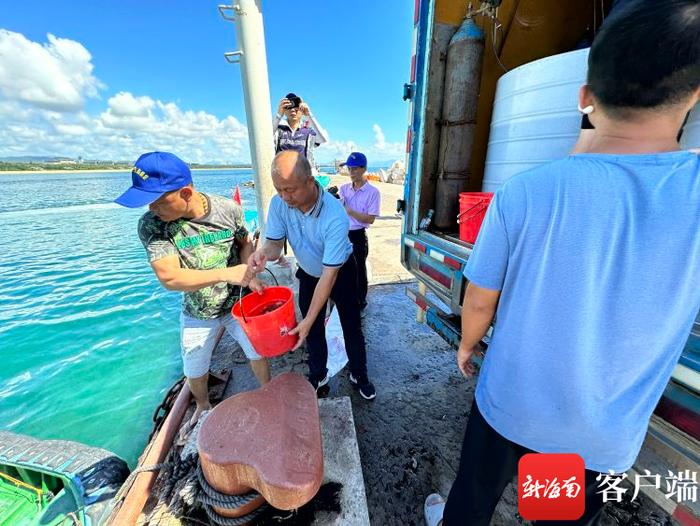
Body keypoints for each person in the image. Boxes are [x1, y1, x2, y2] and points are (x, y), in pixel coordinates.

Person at [424, 1, 700, 525]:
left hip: (508, 406)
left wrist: (465, 343)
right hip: (597, 434)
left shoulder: (525, 191)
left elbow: (480, 296)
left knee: (472, 503)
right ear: (693, 95)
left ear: (584, 97)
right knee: (553, 515)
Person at [115, 151, 271, 434]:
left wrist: (248, 270)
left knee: (257, 350)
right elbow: (170, 277)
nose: (152, 208)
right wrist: (226, 273)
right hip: (198, 311)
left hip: (237, 303)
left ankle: (268, 393)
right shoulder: (152, 225)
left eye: (159, 201)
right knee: (194, 367)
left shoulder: (228, 209)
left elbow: (243, 242)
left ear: (185, 192)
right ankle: (202, 404)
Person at [245, 150, 377, 400]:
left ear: (310, 181)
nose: (284, 197)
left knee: (351, 325)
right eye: (279, 189)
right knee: (313, 329)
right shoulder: (279, 203)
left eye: (290, 190)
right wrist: (263, 253)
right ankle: (319, 374)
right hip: (308, 271)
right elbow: (274, 244)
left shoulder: (335, 215)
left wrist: (307, 320)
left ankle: (359, 374)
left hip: (340, 271)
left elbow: (329, 276)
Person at [339, 152, 381, 309]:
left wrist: (349, 210)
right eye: (349, 169)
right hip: (341, 234)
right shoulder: (343, 189)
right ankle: (345, 299)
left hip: (357, 235)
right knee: (341, 268)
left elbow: (370, 219)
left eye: (355, 169)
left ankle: (361, 302)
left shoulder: (373, 192)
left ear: (364, 169)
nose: (351, 173)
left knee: (359, 271)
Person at [274, 93, 328, 171]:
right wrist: (278, 115)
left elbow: (323, 139)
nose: (292, 109)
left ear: (302, 109)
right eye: (288, 106)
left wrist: (309, 115)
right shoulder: (278, 130)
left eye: (296, 105)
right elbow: (265, 138)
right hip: (282, 178)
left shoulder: (308, 130)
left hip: (303, 178)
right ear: (285, 111)